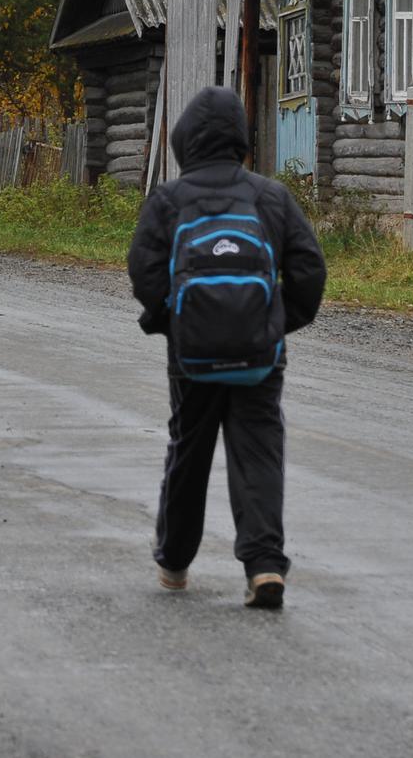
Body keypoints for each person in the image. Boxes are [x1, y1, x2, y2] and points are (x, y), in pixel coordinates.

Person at [126, 86, 325, 608]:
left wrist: (174, 322)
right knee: (258, 452)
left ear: (184, 140)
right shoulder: (270, 197)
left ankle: (173, 560)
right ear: (240, 138)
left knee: (188, 452)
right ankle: (263, 567)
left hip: (191, 356)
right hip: (259, 355)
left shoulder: (168, 199)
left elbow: (145, 271)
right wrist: (276, 322)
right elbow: (308, 269)